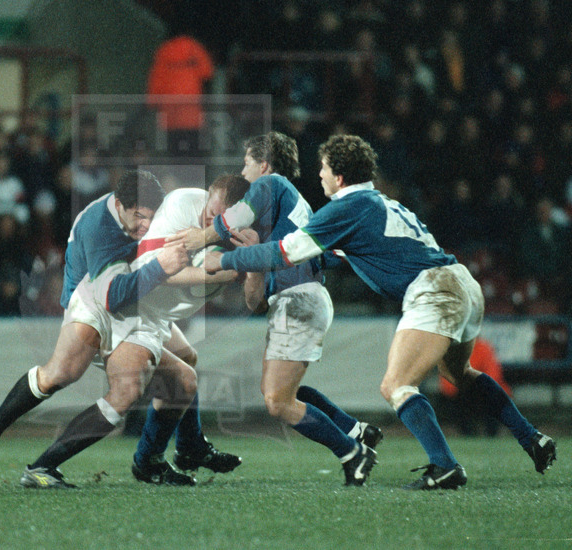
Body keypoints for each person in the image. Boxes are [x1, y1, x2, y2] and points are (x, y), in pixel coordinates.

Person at [204, 134, 557, 489]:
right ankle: (531, 438)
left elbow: (285, 252)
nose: (321, 176)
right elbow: (335, 253)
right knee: (459, 373)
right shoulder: (378, 202)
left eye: (324, 169)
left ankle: (444, 465)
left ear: (339, 176)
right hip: (462, 282)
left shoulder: (346, 208)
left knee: (396, 385)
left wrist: (224, 259)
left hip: (434, 289)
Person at [0, 170, 194, 489]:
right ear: (120, 204)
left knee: (183, 376)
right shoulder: (100, 225)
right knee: (75, 379)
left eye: (150, 218)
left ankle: (161, 456)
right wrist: (163, 267)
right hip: (98, 302)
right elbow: (111, 296)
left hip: (124, 303)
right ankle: (14, 456)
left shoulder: (137, 217)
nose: (145, 225)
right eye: (139, 217)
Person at [167, 132, 381, 487]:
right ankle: (355, 431)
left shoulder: (272, 183)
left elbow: (236, 215)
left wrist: (202, 240)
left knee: (278, 402)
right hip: (294, 300)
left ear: (263, 165)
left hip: (300, 299)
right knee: (282, 394)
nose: (243, 172)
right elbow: (255, 302)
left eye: (247, 163)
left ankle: (351, 451)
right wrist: (251, 264)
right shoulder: (280, 218)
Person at [122, 174, 249, 479]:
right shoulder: (182, 204)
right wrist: (218, 274)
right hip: (130, 304)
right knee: (184, 379)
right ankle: (148, 460)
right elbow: (155, 271)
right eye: (210, 211)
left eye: (220, 218)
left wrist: (233, 269)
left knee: (188, 359)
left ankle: (189, 447)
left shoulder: (239, 230)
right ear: (206, 195)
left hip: (154, 310)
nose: (211, 220)